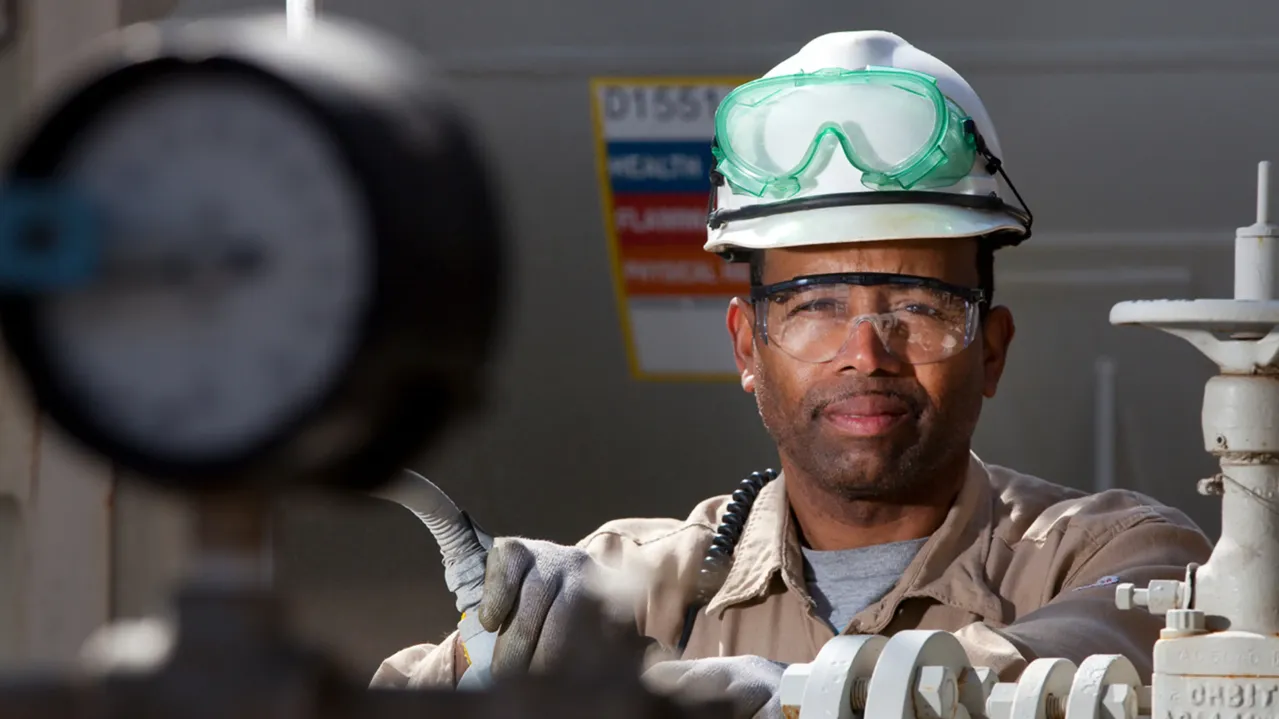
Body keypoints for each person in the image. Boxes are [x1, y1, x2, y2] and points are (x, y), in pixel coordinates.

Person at [370, 29, 1213, 715]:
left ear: (990, 349)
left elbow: (1129, 645)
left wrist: (807, 693)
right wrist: (498, 654)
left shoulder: (1112, 553)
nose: (865, 352)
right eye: (814, 307)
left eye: (917, 307)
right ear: (746, 348)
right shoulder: (631, 585)